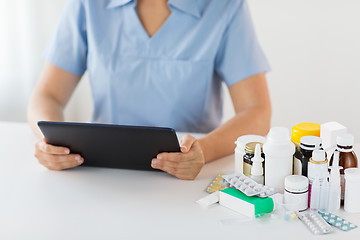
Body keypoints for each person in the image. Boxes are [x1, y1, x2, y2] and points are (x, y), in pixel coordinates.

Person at [28, 0, 271, 180]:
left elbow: (257, 112)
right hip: (99, 174)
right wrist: (50, 143)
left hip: (187, 179)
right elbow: (47, 96)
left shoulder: (225, 7)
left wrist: (204, 151)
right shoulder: (89, 5)